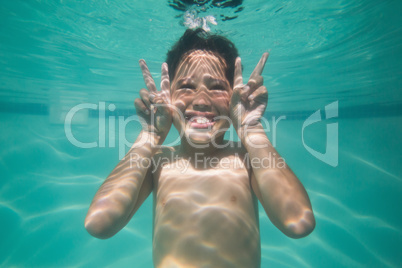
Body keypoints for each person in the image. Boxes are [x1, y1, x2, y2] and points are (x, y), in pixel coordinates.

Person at [85, 28, 315, 268]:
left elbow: (298, 222)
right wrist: (149, 136)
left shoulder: (247, 160)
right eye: (186, 86)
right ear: (168, 96)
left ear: (234, 96)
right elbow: (99, 223)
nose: (202, 100)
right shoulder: (158, 162)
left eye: (216, 87)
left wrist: (252, 131)